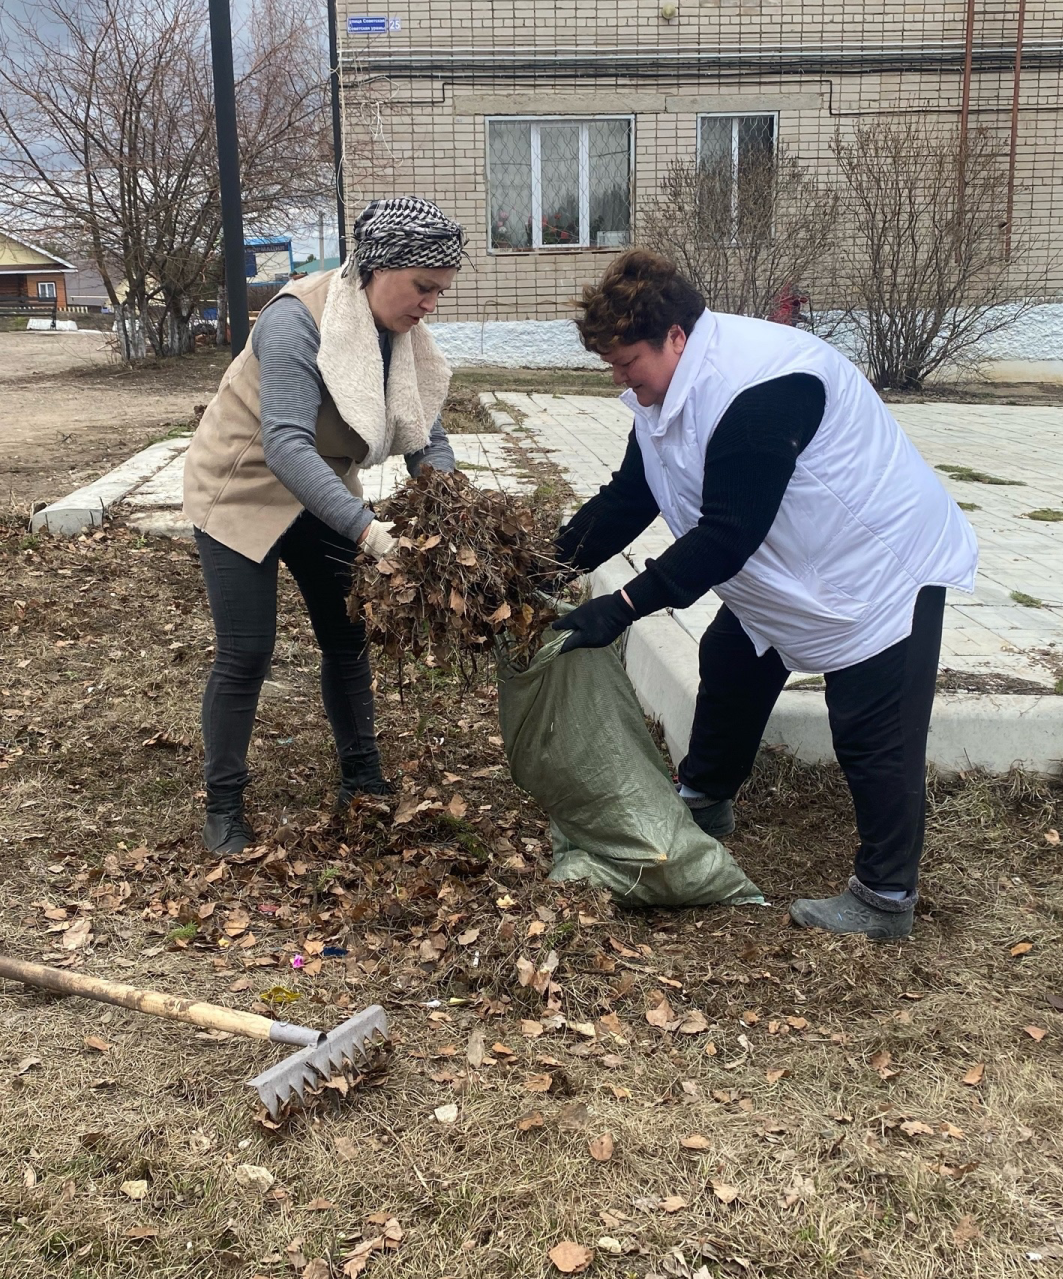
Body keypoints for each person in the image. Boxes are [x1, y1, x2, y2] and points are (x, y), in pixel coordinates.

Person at [552, 250, 978, 940]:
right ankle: (706, 798)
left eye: (627, 362)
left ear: (676, 338)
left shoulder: (762, 388)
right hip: (795, 567)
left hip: (877, 569)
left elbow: (726, 535)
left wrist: (622, 607)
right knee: (732, 660)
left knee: (875, 733)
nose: (620, 380)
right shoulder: (664, 391)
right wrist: (550, 563)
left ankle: (885, 896)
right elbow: (633, 495)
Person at [181, 197, 465, 856]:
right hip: (241, 483)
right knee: (247, 650)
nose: (430, 305)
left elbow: (428, 437)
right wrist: (369, 533)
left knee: (347, 635)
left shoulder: (400, 340)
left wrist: (448, 501)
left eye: (439, 293)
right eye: (423, 288)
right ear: (377, 266)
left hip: (320, 487)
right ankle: (223, 805)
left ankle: (361, 777)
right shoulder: (296, 320)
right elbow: (283, 446)